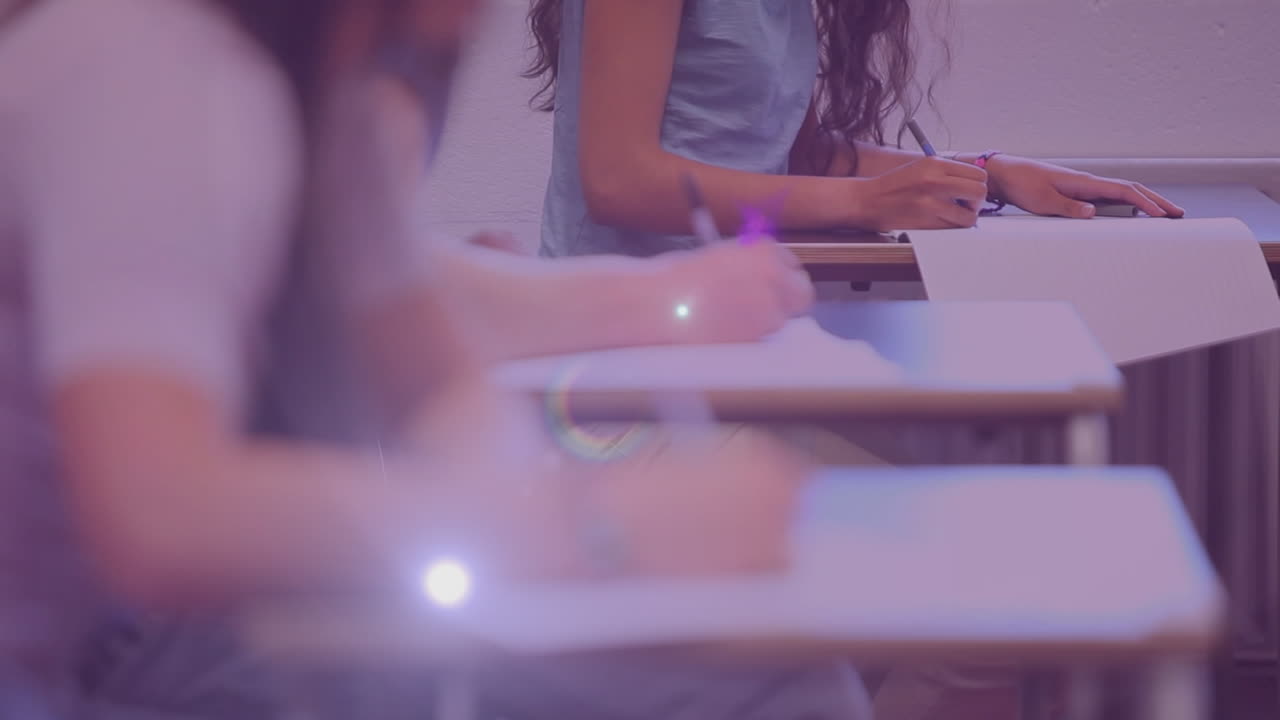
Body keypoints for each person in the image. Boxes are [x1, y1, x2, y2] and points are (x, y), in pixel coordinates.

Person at [0, 0, 862, 718]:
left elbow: (436, 381)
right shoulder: (151, 70)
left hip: (154, 630)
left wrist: (561, 533)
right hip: (85, 656)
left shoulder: (327, 105)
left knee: (772, 678)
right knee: (773, 687)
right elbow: (161, 516)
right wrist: (594, 526)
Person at [527, 0, 1186, 260]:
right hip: (616, 340)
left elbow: (793, 153)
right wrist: (866, 203)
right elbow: (617, 180)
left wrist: (988, 173)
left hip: (723, 310)